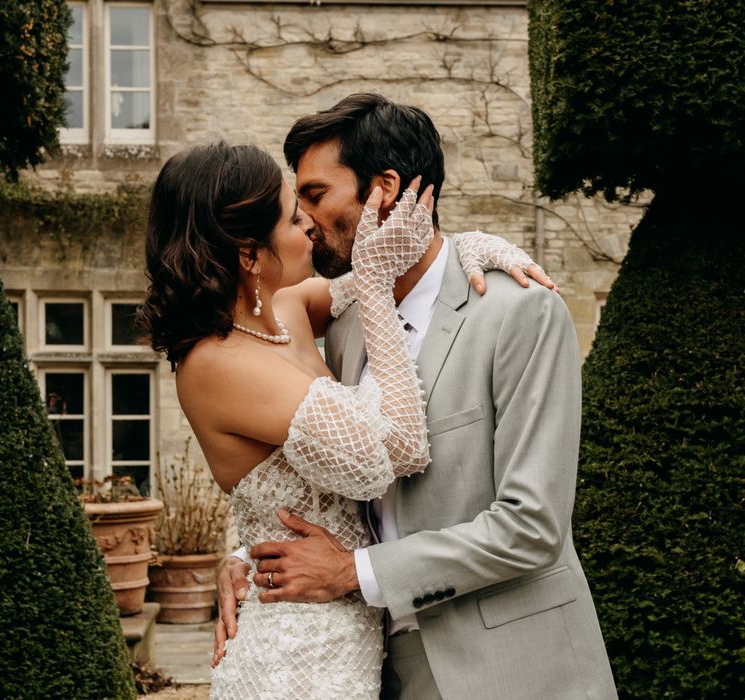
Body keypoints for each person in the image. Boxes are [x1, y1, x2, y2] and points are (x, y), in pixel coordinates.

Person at [218, 94, 618, 699]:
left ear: (386, 189)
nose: (302, 220)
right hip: (374, 668)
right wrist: (247, 554)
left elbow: (533, 526)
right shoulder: (348, 324)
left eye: (316, 195)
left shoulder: (521, 313)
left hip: (515, 671)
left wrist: (353, 573)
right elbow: (320, 470)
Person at [138, 141, 547, 698]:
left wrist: (475, 247)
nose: (309, 223)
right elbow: (398, 448)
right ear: (247, 254)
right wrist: (376, 289)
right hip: (300, 648)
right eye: (291, 215)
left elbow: (413, 268)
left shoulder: (285, 307)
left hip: (358, 630)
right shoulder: (215, 365)